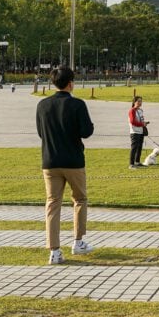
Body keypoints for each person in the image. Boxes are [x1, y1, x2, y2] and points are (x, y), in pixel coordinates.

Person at [35, 66, 95, 265]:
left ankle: (54, 251)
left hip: (50, 161)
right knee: (80, 199)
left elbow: (40, 133)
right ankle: (78, 241)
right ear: (70, 83)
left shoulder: (42, 105)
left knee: (52, 203)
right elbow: (87, 131)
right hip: (73, 161)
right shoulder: (77, 104)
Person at [128, 96, 148, 169]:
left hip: (141, 131)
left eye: (141, 101)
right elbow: (132, 121)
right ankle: (131, 164)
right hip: (134, 132)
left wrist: (144, 123)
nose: (140, 103)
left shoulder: (141, 110)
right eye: (138, 101)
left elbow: (141, 120)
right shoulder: (132, 110)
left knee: (139, 147)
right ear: (134, 102)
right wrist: (142, 124)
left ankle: (137, 162)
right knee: (134, 148)